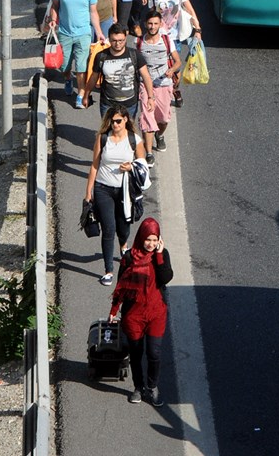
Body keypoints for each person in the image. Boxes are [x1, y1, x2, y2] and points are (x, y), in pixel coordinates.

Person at [108, 217, 173, 406]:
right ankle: (139, 387)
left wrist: (160, 256)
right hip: (133, 315)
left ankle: (152, 387)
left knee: (154, 353)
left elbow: (166, 278)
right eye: (148, 239)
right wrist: (114, 309)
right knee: (136, 353)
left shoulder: (162, 254)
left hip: (155, 313)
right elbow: (121, 285)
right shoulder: (129, 257)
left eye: (155, 239)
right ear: (141, 237)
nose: (151, 244)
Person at [85, 106, 146, 286]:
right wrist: (88, 192)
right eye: (112, 121)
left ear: (126, 120)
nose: (115, 124)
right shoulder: (103, 138)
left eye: (118, 121)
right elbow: (94, 165)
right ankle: (108, 270)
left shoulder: (135, 140)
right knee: (108, 229)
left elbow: (143, 166)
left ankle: (124, 244)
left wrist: (131, 166)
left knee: (123, 228)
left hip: (125, 191)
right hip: (103, 188)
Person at [49, 0, 105, 109]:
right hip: (65, 33)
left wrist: (99, 32)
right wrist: (53, 20)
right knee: (64, 65)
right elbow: (55, 6)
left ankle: (80, 94)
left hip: (83, 33)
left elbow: (93, 13)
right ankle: (68, 79)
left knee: (81, 67)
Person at [146, 0, 202, 109]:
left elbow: (190, 10)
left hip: (176, 36)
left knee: (175, 67)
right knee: (162, 65)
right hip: (160, 36)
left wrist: (198, 29)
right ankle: (162, 91)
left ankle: (176, 90)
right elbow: (151, 15)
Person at [136, 10, 181, 166]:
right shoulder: (140, 42)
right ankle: (148, 153)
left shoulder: (167, 40)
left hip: (164, 84)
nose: (152, 26)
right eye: (150, 23)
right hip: (145, 86)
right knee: (147, 118)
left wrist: (172, 70)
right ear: (145, 24)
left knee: (162, 119)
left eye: (155, 23)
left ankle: (159, 135)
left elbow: (177, 61)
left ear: (160, 24)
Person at [84, 22, 155, 118]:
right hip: (108, 105)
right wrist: (86, 95)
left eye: (121, 40)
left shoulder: (134, 55)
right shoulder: (101, 56)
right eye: (114, 40)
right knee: (107, 132)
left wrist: (150, 97)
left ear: (126, 38)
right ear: (108, 38)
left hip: (129, 105)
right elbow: (93, 77)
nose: (118, 44)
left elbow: (146, 76)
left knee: (127, 132)